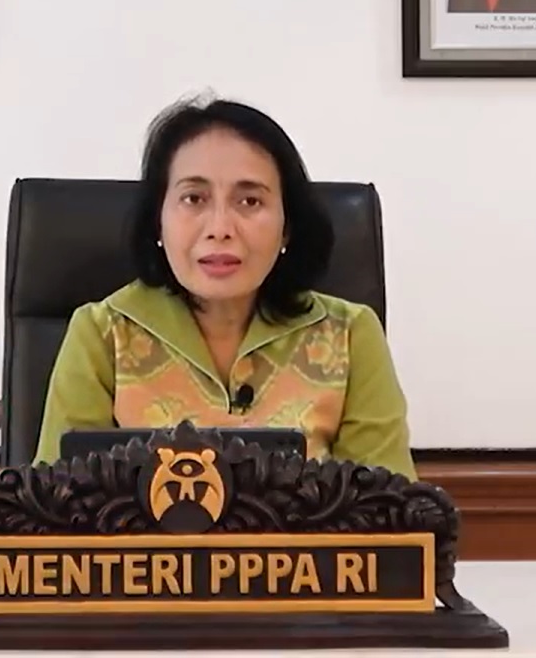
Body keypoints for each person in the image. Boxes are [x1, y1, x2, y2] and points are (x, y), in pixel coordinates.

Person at [33, 95, 417, 479]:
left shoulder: (350, 334)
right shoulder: (102, 333)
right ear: (157, 221)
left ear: (287, 226)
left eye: (249, 200)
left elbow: (389, 505)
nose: (220, 228)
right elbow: (54, 500)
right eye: (193, 198)